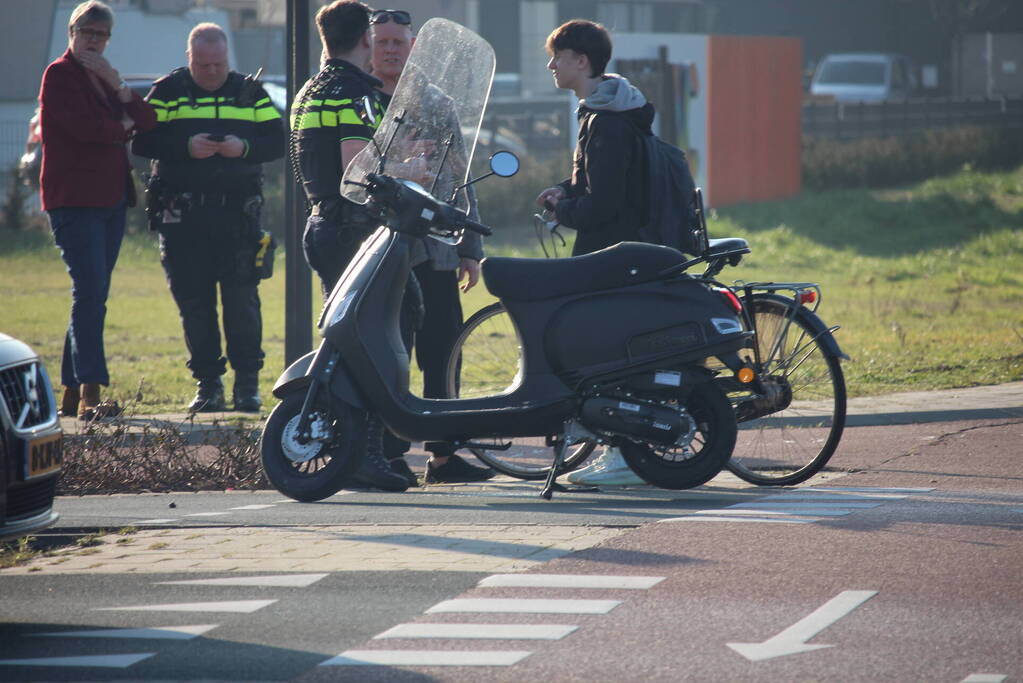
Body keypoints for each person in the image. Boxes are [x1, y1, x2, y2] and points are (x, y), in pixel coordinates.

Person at [370, 9, 496, 486]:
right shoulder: (358, 99)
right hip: (385, 250)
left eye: (398, 42)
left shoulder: (436, 102)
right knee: (391, 349)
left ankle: (444, 454)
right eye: (382, 41)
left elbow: (461, 175)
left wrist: (470, 246)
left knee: (444, 348)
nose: (390, 50)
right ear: (369, 46)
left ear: (414, 45)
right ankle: (388, 452)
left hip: (439, 247)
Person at [132, 23, 284, 414]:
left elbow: (278, 140)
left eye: (218, 64)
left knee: (242, 304)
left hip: (237, 216)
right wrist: (185, 147)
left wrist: (243, 147)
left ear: (228, 58)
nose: (212, 72)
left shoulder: (249, 93)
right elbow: (142, 140)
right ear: (189, 59)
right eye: (204, 65)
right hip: (182, 217)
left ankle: (247, 387)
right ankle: (208, 385)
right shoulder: (167, 92)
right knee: (195, 305)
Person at [288, 0, 408, 493]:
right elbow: (358, 169)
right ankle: (367, 451)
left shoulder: (309, 91)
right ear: (365, 39)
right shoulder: (356, 92)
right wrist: (411, 172)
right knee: (378, 335)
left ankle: (351, 446)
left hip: (322, 225)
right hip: (355, 230)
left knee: (345, 340)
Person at [535, 19, 654, 486]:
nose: (551, 65)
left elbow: (605, 204)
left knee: (609, 349)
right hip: (615, 249)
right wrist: (563, 190)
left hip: (613, 251)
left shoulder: (607, 121)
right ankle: (614, 445)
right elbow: (597, 182)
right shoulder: (605, 110)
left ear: (580, 62)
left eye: (557, 57)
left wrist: (565, 210)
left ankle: (624, 454)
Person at [39, 0, 157, 420]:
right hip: (73, 200)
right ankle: (90, 392)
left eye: (101, 35)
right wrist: (121, 127)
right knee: (91, 292)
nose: (94, 41)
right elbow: (85, 130)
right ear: (72, 34)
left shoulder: (105, 77)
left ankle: (70, 392)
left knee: (92, 293)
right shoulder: (59, 75)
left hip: (109, 200)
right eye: (87, 33)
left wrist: (120, 87)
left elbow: (148, 119)